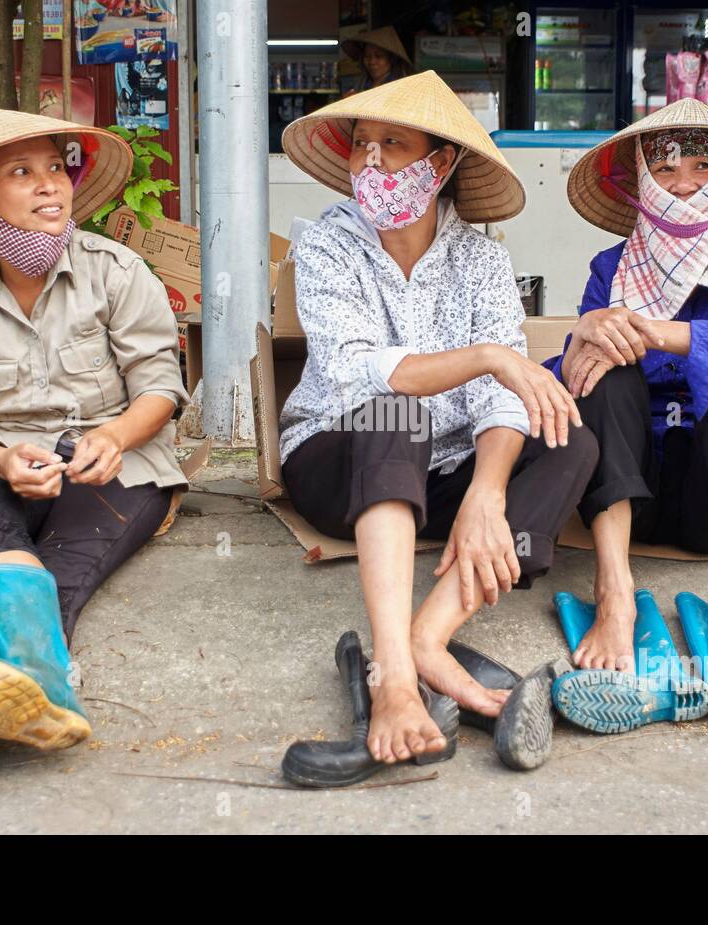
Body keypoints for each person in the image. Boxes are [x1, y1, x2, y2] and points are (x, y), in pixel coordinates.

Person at [278, 71, 595, 768]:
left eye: (394, 144)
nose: (371, 160)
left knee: (569, 433)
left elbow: (506, 396)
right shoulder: (329, 245)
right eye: (362, 143)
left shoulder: (482, 259)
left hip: (446, 476)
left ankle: (431, 633)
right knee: (399, 408)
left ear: (441, 163)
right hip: (345, 462)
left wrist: (486, 491)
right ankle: (393, 671)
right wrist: (485, 355)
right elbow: (357, 370)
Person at [0, 106, 188, 788]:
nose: (50, 185)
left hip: (119, 467)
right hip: (9, 464)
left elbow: (162, 388)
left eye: (56, 167)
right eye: (21, 172)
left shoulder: (116, 270)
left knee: (63, 564)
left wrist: (112, 436)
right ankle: (48, 700)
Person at [550, 99, 708, 688]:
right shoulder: (611, 266)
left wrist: (661, 333)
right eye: (665, 171)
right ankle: (613, 589)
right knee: (603, 368)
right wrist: (577, 343)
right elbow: (575, 377)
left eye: (702, 167)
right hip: (631, 493)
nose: (684, 186)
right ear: (643, 181)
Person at [340, 26, 413, 93]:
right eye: (367, 56)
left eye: (379, 56)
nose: (372, 62)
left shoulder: (398, 86)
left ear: (391, 58)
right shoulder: (362, 83)